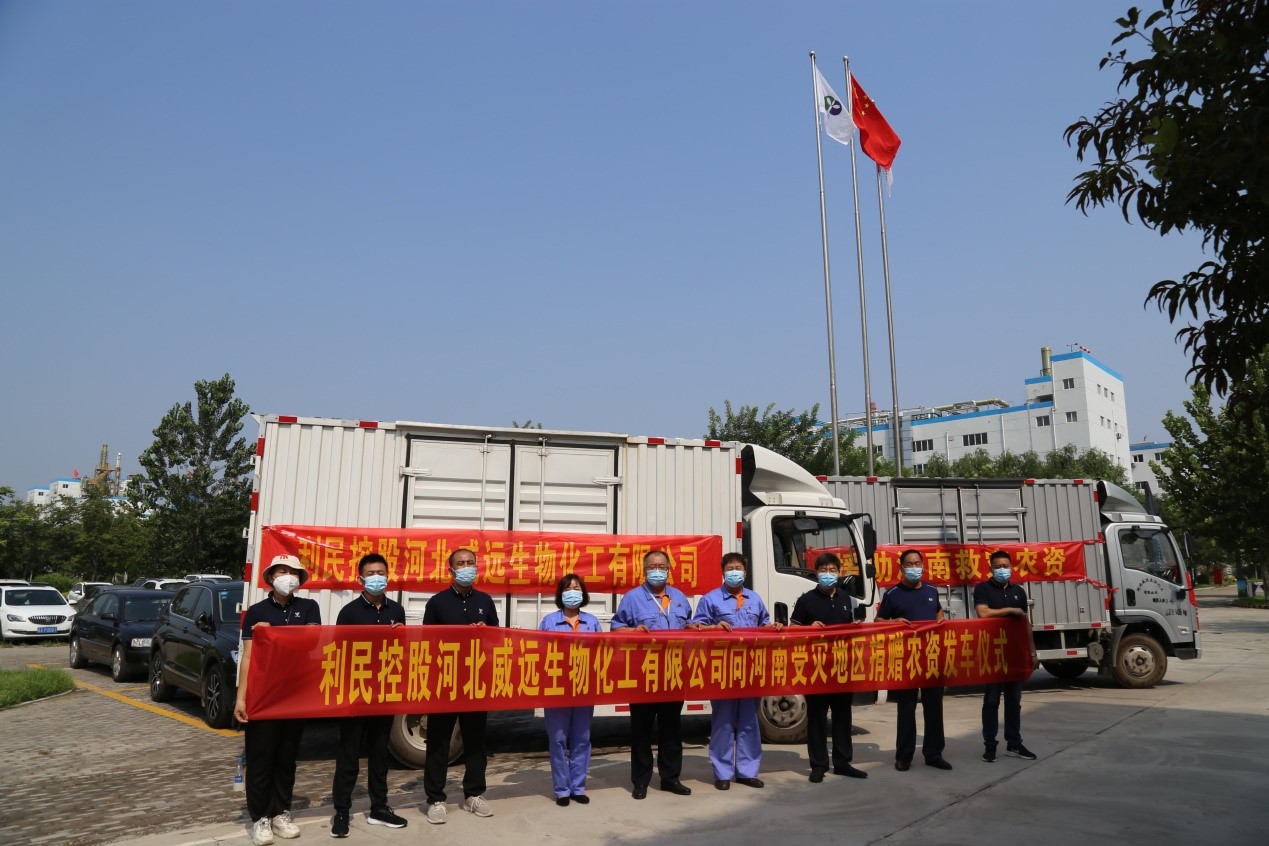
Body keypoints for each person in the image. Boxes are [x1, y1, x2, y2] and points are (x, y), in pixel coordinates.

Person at [234, 554, 323, 846]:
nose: (288, 576)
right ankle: (260, 817)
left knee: (286, 758)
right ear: (271, 577)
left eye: (293, 572)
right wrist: (241, 698)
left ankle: (281, 812)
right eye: (281, 571)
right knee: (261, 758)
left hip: (294, 694)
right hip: (263, 694)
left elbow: (311, 640)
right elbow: (249, 657)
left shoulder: (309, 608)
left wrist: (273, 634)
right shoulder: (256, 612)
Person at [329, 554, 408, 838]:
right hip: (356, 692)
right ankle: (341, 811)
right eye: (371, 573)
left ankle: (379, 807)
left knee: (379, 752)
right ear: (360, 578)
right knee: (349, 754)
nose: (377, 577)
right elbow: (338, 652)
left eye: (381, 572)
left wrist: (402, 635)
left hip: (385, 691)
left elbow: (402, 651)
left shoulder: (396, 610)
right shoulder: (349, 612)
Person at [688, 551, 782, 790]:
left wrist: (773, 627)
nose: (734, 572)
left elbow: (764, 626)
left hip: (750, 669)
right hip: (723, 669)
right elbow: (696, 628)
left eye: (738, 568)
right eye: (730, 568)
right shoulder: (710, 599)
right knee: (723, 722)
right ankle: (722, 773)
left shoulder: (755, 599)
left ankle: (747, 771)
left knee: (749, 722)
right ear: (723, 572)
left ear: (745, 572)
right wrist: (714, 628)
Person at [421, 548, 499, 824]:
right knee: (439, 742)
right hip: (445, 681)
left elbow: (497, 639)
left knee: (475, 741)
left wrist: (485, 632)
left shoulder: (485, 601)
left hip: (475, 681)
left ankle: (474, 794)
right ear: (451, 570)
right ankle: (435, 799)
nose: (467, 567)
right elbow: (427, 642)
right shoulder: (437, 602)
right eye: (461, 563)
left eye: (470, 563)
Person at [610, 549, 694, 799]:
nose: (657, 570)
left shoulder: (679, 597)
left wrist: (696, 627)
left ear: (669, 569)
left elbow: (688, 625)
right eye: (652, 566)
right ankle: (641, 781)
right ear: (644, 570)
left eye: (662, 566)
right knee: (642, 729)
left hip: (673, 672)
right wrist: (633, 632)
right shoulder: (632, 598)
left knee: (672, 729)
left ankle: (670, 778)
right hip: (642, 672)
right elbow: (616, 628)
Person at [790, 552, 867, 782]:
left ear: (839, 572)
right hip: (817, 668)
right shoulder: (806, 600)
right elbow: (793, 630)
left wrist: (855, 627)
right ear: (816, 573)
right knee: (817, 718)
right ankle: (818, 765)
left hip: (841, 667)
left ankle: (843, 762)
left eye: (832, 570)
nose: (828, 574)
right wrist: (809, 628)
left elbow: (848, 627)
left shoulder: (845, 598)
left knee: (843, 717)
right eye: (823, 570)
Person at [876, 549, 952, 772]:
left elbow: (938, 612)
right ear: (901, 568)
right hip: (906, 658)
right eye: (909, 564)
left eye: (917, 563)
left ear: (923, 565)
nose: (914, 568)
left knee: (934, 707)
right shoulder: (893, 594)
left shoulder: (931, 590)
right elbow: (879, 621)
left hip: (931, 656)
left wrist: (941, 619)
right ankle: (904, 756)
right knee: (906, 709)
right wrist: (894, 623)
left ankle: (934, 754)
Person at [539, 574, 602, 806]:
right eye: (567, 589)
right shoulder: (548, 621)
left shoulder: (592, 622)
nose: (572, 593)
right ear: (560, 594)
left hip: (584, 688)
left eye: (576, 588)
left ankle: (578, 787)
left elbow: (601, 654)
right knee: (557, 740)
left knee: (582, 739)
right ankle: (562, 790)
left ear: (583, 593)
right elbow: (540, 653)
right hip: (557, 688)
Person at [974, 549, 1038, 763]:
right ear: (990, 568)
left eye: (1005, 566)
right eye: (998, 567)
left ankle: (1014, 744)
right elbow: (983, 612)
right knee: (991, 702)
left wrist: (1032, 653)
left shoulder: (1019, 591)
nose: (1002, 570)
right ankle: (990, 746)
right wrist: (1011, 610)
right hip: (993, 654)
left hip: (1015, 654)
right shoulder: (983, 589)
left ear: (1011, 567)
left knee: (1014, 701)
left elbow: (1025, 624)